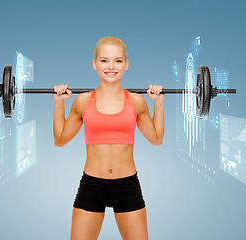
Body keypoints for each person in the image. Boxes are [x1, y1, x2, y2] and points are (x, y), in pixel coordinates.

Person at [53, 36, 165, 240]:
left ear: (126, 65)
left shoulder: (137, 101)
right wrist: (59, 103)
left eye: (118, 61)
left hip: (127, 186)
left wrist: (158, 103)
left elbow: (156, 139)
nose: (111, 66)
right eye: (104, 60)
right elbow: (60, 140)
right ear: (94, 64)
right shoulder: (83, 101)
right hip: (92, 186)